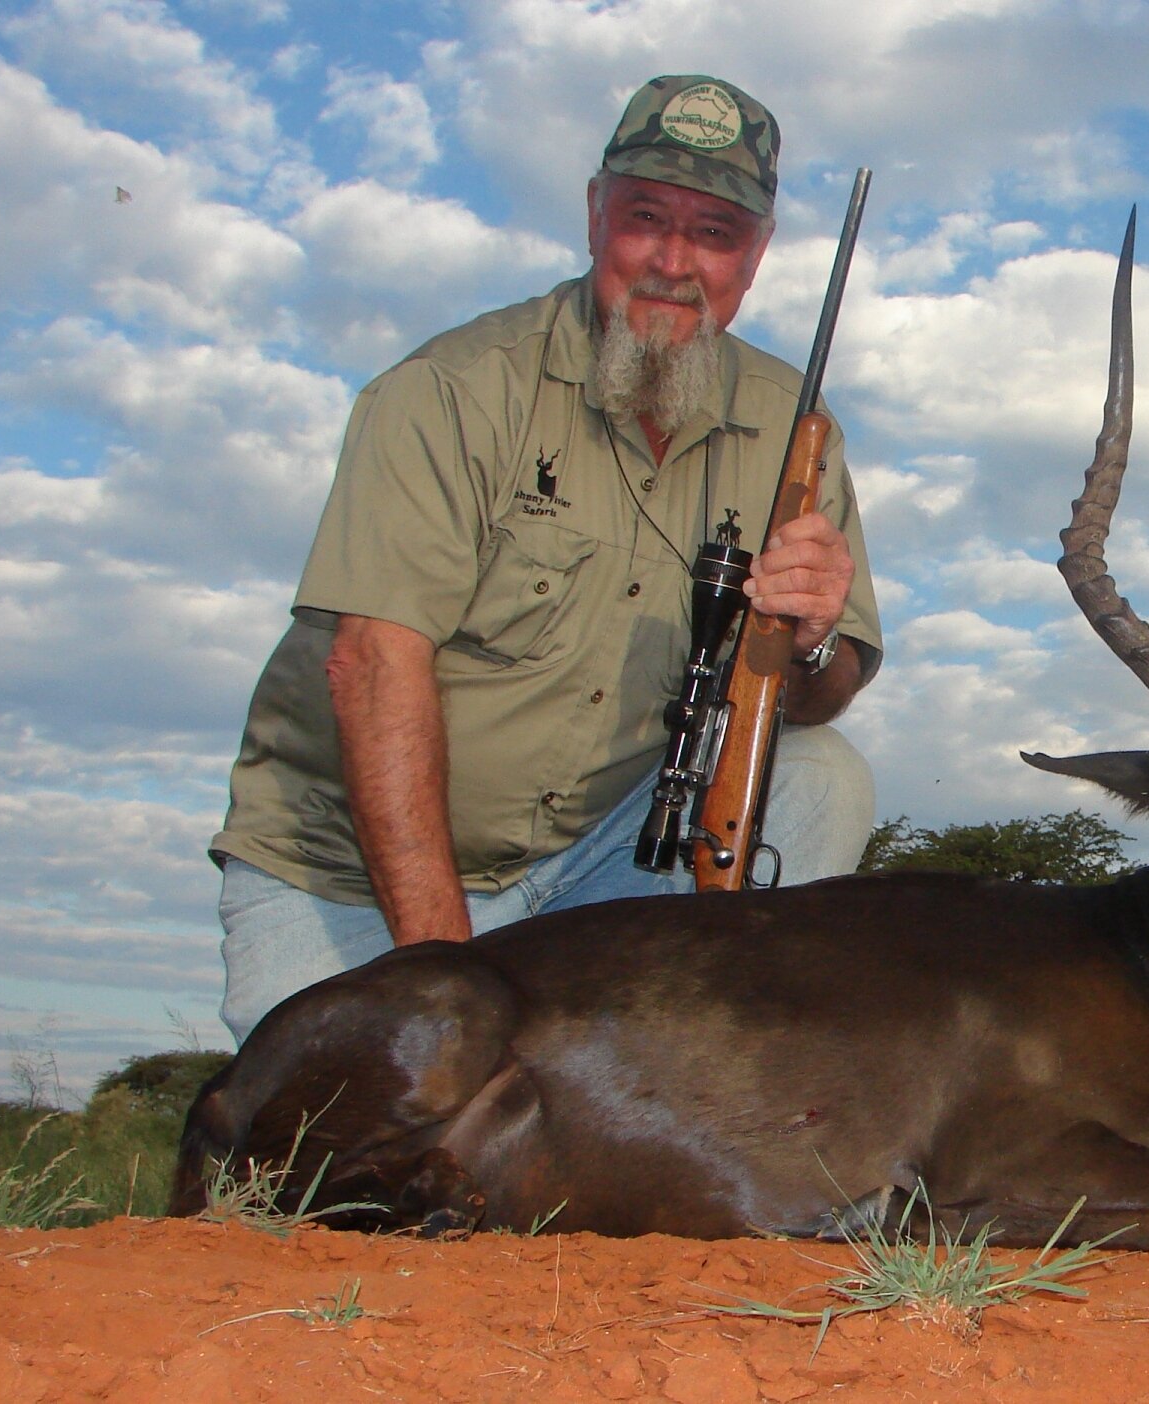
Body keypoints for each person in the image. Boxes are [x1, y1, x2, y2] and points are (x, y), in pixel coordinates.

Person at [210, 75, 883, 1043]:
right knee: (348, 1160)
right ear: (594, 213)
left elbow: (822, 689)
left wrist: (811, 643)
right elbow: (370, 669)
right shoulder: (449, 392)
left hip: (607, 862)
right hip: (354, 872)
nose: (672, 260)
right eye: (645, 216)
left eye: (714, 233)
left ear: (756, 256)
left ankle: (687, 1078)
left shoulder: (794, 426)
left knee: (824, 778)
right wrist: (454, 989)